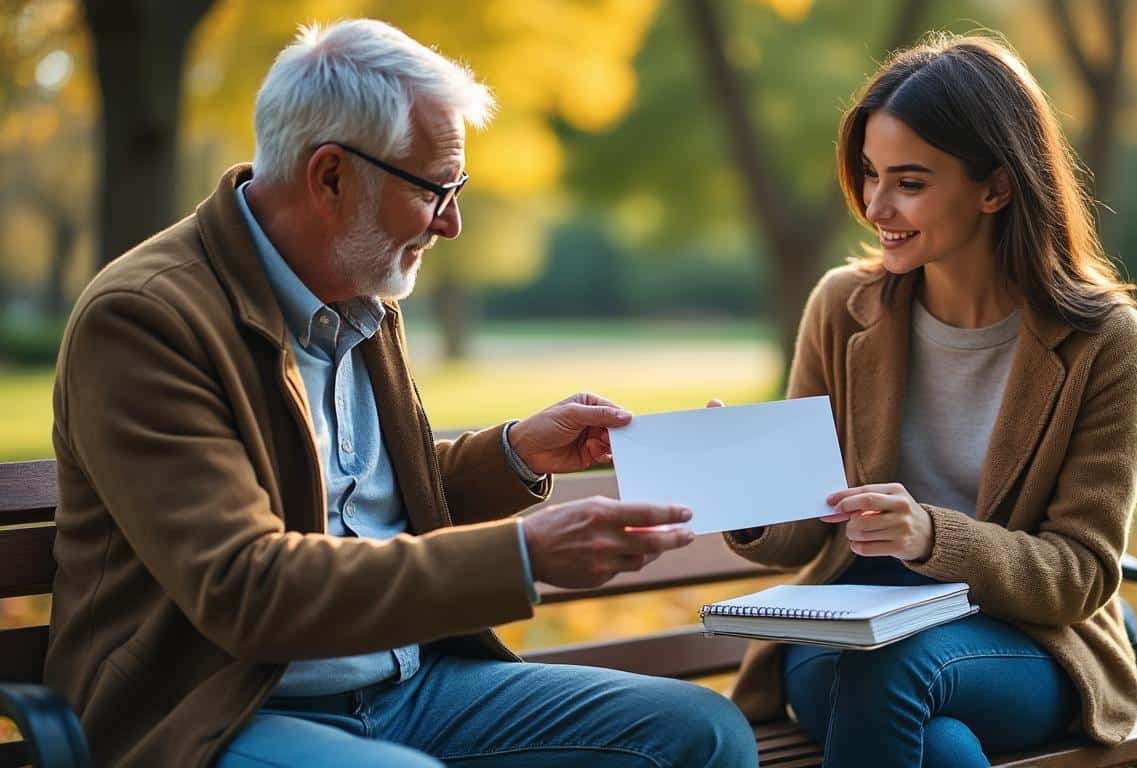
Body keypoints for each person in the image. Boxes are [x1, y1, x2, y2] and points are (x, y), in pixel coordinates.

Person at [47, 19, 755, 768]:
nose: (451, 223)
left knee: (703, 735)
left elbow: (366, 505)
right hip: (217, 710)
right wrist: (519, 555)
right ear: (330, 178)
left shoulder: (363, 291)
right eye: (435, 190)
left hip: (412, 689)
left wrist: (515, 453)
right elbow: (244, 588)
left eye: (459, 188)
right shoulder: (144, 320)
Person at [723, 33, 1137, 767]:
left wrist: (929, 536)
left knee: (898, 673)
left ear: (996, 187)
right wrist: (748, 482)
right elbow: (801, 534)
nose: (874, 205)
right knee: (937, 744)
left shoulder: (1101, 340)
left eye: (909, 182)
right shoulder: (842, 307)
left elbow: (1080, 572)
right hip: (849, 626)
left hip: (1022, 641)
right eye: (869, 174)